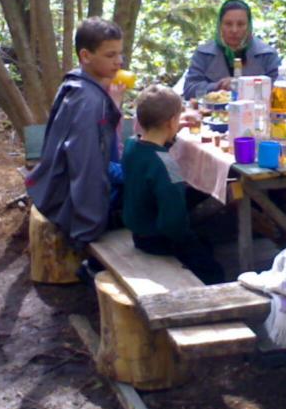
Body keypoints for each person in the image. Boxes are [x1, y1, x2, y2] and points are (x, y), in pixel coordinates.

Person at [25, 18, 126, 252]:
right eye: (110, 55)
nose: (119, 62)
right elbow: (87, 166)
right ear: (86, 56)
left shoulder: (78, 84)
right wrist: (89, 229)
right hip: (73, 209)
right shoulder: (90, 102)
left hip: (57, 194)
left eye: (120, 54)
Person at [122, 84, 225, 285]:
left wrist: (175, 132)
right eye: (178, 119)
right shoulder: (168, 167)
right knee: (215, 271)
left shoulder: (131, 145)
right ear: (171, 122)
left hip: (138, 231)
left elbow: (154, 151)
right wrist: (187, 238)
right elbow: (173, 222)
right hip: (158, 239)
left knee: (204, 241)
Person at [183, 0, 281, 100]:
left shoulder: (266, 54)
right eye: (228, 24)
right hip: (211, 114)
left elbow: (278, 91)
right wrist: (219, 86)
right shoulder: (204, 54)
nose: (234, 30)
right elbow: (189, 90)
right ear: (220, 25)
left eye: (241, 24)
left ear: (249, 26)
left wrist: (243, 85)